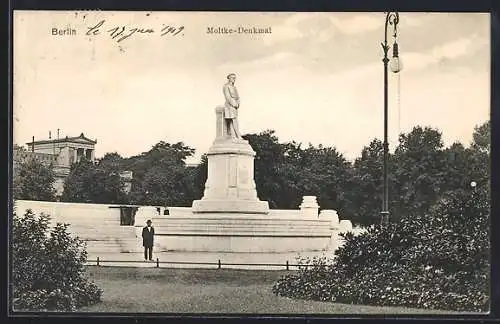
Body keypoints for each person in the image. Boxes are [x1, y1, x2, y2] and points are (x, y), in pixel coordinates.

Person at [223, 73, 241, 138]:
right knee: (233, 119)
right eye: (233, 78)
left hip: (235, 105)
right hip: (229, 105)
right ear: (229, 78)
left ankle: (234, 135)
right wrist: (234, 104)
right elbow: (228, 97)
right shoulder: (226, 86)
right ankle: (237, 135)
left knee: (233, 119)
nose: (234, 79)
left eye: (234, 78)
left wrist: (238, 103)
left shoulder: (234, 87)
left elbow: (238, 96)